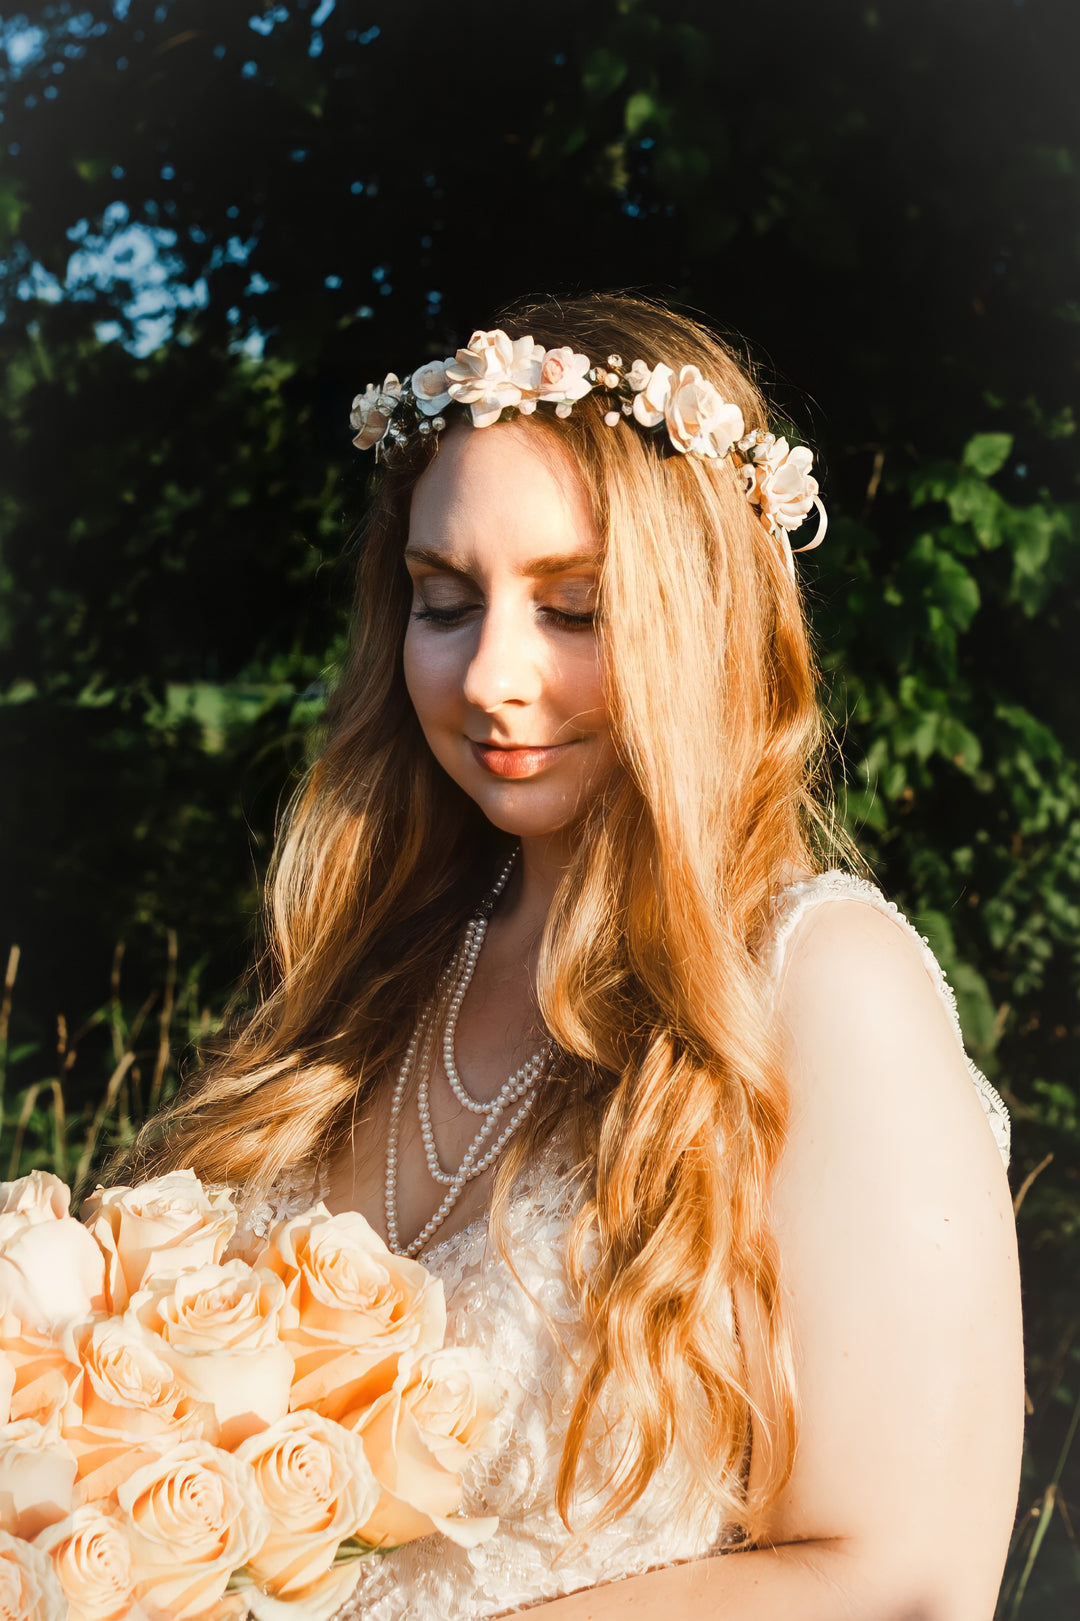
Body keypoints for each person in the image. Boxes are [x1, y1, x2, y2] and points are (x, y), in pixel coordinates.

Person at [124, 292, 1024, 1618]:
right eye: (444, 600)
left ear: (698, 612)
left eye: (576, 608)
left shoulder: (822, 983)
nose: (492, 673)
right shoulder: (363, 974)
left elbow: (906, 1578)